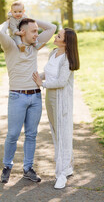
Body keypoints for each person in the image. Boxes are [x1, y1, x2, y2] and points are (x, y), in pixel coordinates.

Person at [0, 17, 57, 183]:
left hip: (35, 96)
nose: (37, 34)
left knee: (31, 135)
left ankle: (27, 168)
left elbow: (52, 27)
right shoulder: (11, 46)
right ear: (23, 32)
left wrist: (31, 19)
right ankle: (7, 166)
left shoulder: (35, 46)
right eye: (34, 31)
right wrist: (11, 22)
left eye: (37, 31)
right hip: (17, 96)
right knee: (13, 134)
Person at [33, 28, 80, 189]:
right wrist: (37, 76)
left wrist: (42, 84)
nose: (55, 36)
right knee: (57, 134)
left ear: (66, 42)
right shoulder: (53, 53)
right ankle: (67, 167)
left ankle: (61, 175)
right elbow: (48, 72)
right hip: (50, 99)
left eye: (58, 36)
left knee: (63, 135)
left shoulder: (67, 59)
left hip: (61, 101)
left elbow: (60, 82)